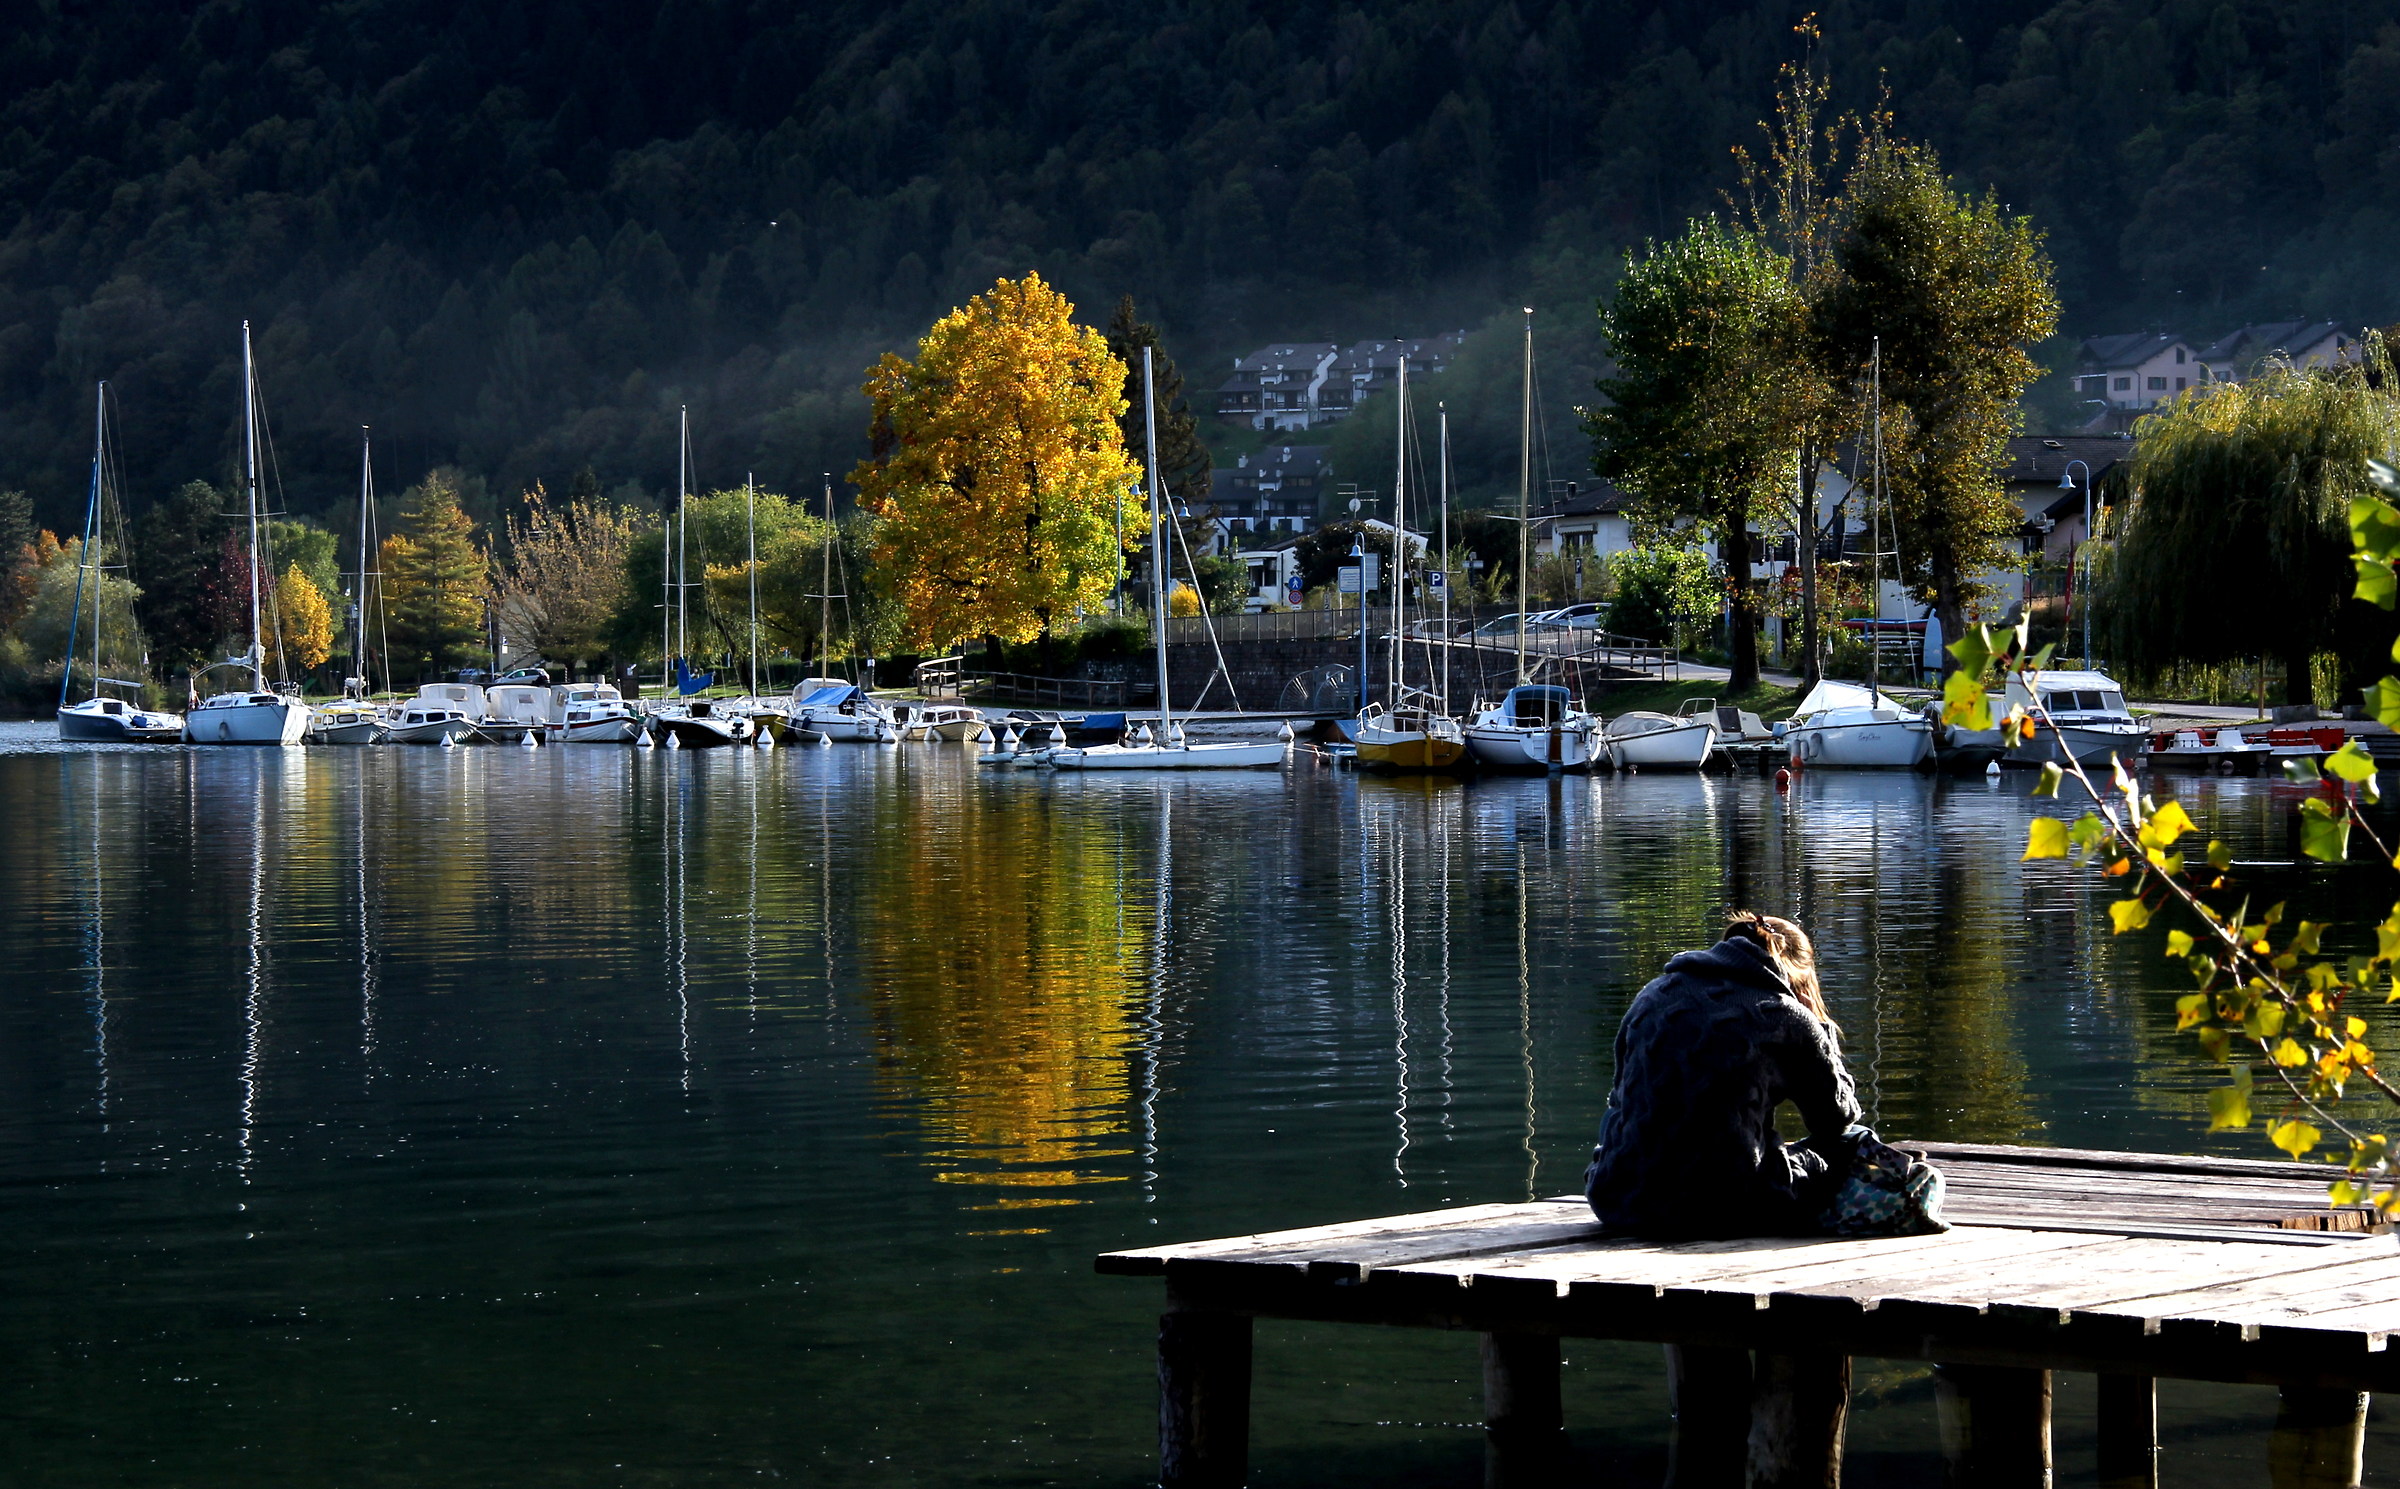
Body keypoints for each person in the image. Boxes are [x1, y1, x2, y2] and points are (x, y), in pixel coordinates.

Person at [1585, 912, 1921, 1240]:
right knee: (1851, 1142)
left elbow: (1621, 1096)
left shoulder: (1652, 994)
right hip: (1728, 1207)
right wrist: (1820, 1032)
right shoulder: (1782, 1014)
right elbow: (1835, 1119)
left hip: (1618, 1197)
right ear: (1799, 974)